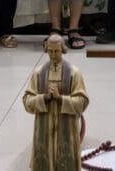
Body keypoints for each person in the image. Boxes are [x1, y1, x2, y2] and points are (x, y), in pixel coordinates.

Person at [22, 33, 89, 171]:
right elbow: (27, 102)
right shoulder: (38, 73)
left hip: (67, 132)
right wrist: (44, 98)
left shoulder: (74, 73)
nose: (53, 55)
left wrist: (60, 99)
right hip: (44, 132)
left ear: (63, 50)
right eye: (50, 51)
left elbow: (82, 102)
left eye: (56, 51)